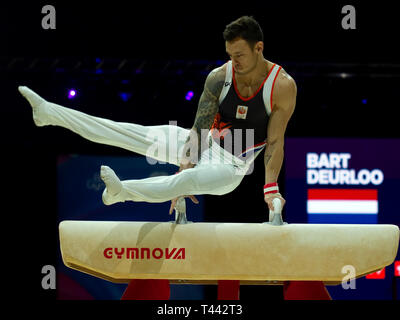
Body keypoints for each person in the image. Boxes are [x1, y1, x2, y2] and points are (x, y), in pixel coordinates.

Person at [18, 15, 296, 217]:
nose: (233, 61)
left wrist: (270, 187)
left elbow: (274, 142)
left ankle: (122, 192)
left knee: (185, 182)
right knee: (127, 131)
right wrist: (187, 163)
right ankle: (50, 113)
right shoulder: (219, 77)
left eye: (240, 55)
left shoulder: (281, 86)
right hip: (204, 145)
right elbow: (199, 129)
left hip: (231, 167)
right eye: (229, 54)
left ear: (259, 48)